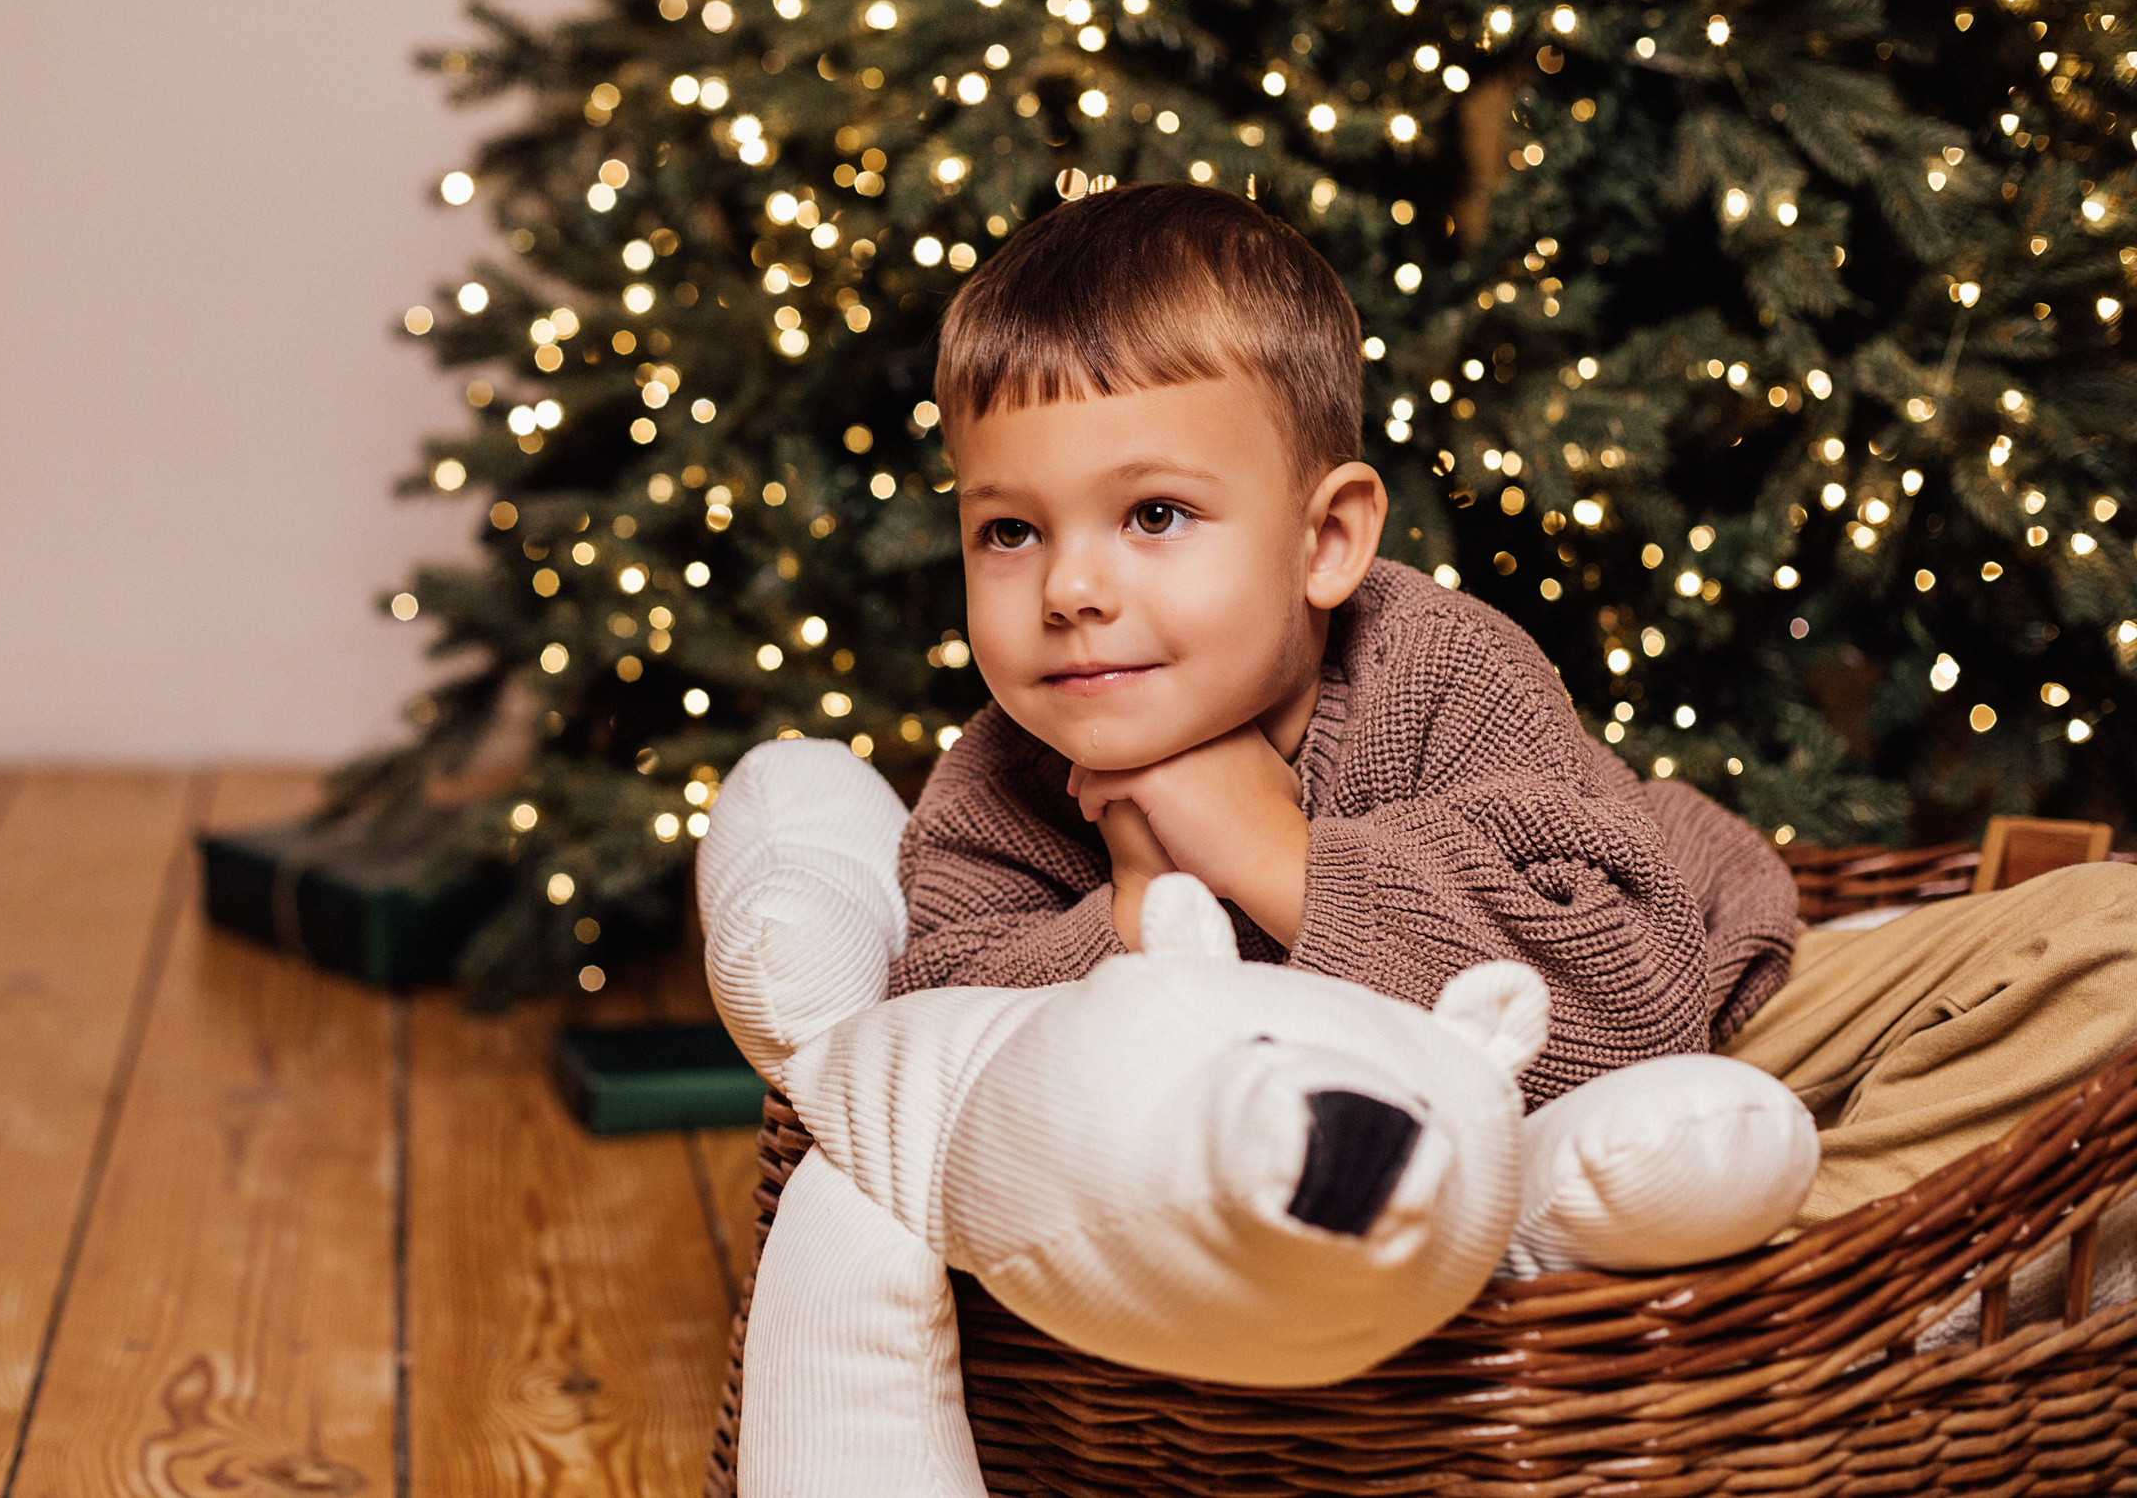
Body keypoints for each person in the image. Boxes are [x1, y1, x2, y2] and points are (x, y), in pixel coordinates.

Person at [897, 182, 2136, 1217]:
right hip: (1390, 1184)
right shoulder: (999, 778)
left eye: (1155, 514)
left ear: (1325, 541)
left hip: (1719, 1020)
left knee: (2108, 944)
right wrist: (1132, 922)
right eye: (1008, 530)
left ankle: (1805, 1254)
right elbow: (925, 1061)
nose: (1069, 589)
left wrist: (1278, 859)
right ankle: (1599, 1243)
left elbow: (1634, 1019)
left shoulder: (1438, 670)